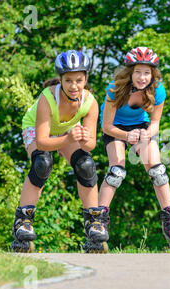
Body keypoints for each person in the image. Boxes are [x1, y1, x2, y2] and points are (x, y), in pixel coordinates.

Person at [12, 50, 109, 253]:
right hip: (37, 128)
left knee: (86, 165)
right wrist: (69, 138)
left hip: (65, 130)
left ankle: (94, 223)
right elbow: (43, 141)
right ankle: (23, 221)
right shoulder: (47, 98)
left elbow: (90, 146)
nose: (74, 86)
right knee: (42, 164)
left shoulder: (90, 102)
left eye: (79, 80)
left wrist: (83, 139)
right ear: (60, 80)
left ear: (86, 79)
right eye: (68, 81)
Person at [98, 47, 170, 253]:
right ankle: (99, 221)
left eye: (147, 72)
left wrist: (148, 133)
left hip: (141, 127)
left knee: (158, 171)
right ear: (130, 72)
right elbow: (106, 127)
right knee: (116, 172)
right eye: (138, 71)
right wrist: (125, 136)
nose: (142, 77)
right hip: (115, 129)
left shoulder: (158, 91)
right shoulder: (115, 89)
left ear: (153, 74)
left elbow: (156, 122)